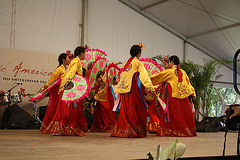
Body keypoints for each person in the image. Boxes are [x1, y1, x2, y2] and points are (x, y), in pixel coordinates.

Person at [111, 44, 155, 138]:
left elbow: (123, 77)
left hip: (124, 90)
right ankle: (133, 130)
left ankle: (124, 129)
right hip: (133, 90)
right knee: (135, 109)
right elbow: (144, 76)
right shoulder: (138, 63)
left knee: (126, 110)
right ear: (139, 53)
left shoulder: (127, 64)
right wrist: (150, 87)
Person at [150, 55, 197, 137]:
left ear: (172, 62)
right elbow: (188, 84)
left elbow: (156, 77)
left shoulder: (170, 72)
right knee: (184, 113)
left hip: (173, 96)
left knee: (174, 114)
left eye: (169, 62)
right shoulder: (183, 72)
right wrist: (193, 93)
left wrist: (144, 80)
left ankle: (174, 130)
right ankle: (186, 130)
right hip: (184, 96)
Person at [47, 45, 88, 136]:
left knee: (70, 110)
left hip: (72, 88)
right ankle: (60, 129)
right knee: (67, 110)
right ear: (81, 53)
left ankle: (62, 128)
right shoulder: (76, 61)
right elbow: (71, 72)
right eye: (85, 53)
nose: (85, 55)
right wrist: (67, 83)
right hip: (69, 88)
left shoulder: (77, 61)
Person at [40, 53, 71, 134]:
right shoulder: (59, 70)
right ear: (63, 60)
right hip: (59, 93)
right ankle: (55, 128)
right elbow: (51, 80)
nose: (69, 60)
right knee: (58, 110)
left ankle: (60, 128)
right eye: (68, 58)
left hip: (65, 93)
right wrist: (44, 88)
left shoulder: (67, 69)